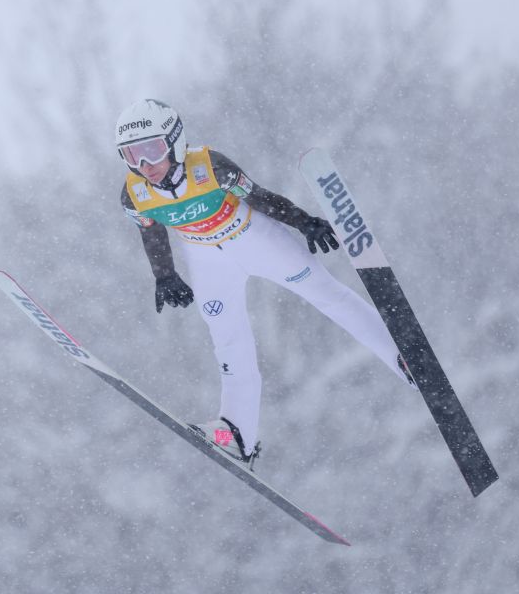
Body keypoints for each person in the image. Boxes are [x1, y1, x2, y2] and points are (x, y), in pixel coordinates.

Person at [116, 99, 414, 469]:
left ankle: (403, 357)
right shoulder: (134, 194)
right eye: (132, 156)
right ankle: (236, 434)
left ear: (175, 141)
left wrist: (303, 221)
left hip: (254, 238)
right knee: (228, 342)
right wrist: (164, 275)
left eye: (152, 150)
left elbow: (260, 197)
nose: (145, 166)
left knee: (327, 295)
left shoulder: (210, 166)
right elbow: (152, 232)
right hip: (209, 262)